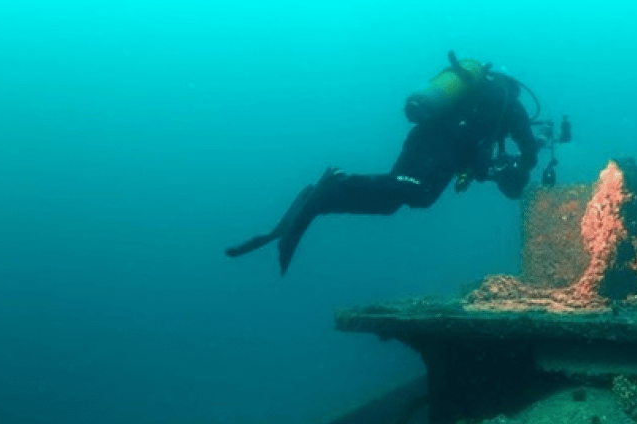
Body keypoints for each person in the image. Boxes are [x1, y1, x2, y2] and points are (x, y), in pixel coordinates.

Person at [226, 52, 541, 274]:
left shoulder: (479, 100)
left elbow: (475, 154)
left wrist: (486, 168)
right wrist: (523, 166)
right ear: (513, 91)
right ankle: (336, 183)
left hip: (424, 138)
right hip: (441, 145)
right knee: (417, 193)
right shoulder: (508, 106)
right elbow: (526, 148)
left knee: (395, 199)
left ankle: (322, 198)